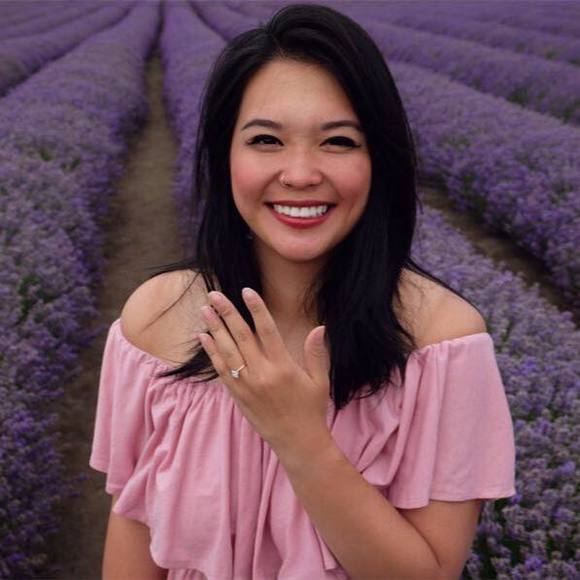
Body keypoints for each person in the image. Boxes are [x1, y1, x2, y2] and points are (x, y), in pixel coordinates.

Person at [89, 3, 517, 579]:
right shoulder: (156, 320)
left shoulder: (443, 345)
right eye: (266, 139)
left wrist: (301, 440)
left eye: (337, 142)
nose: (299, 174)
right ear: (225, 154)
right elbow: (134, 527)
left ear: (379, 158)